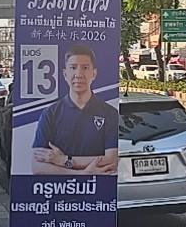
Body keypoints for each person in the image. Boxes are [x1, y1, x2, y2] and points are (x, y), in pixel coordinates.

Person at [32, 45, 120, 174]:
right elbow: (37, 167)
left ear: (94, 73)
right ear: (65, 73)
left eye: (85, 68)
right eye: (73, 68)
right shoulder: (50, 113)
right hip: (57, 190)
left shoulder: (110, 113)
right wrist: (82, 173)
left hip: (98, 189)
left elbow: (111, 160)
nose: (79, 74)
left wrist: (63, 160)